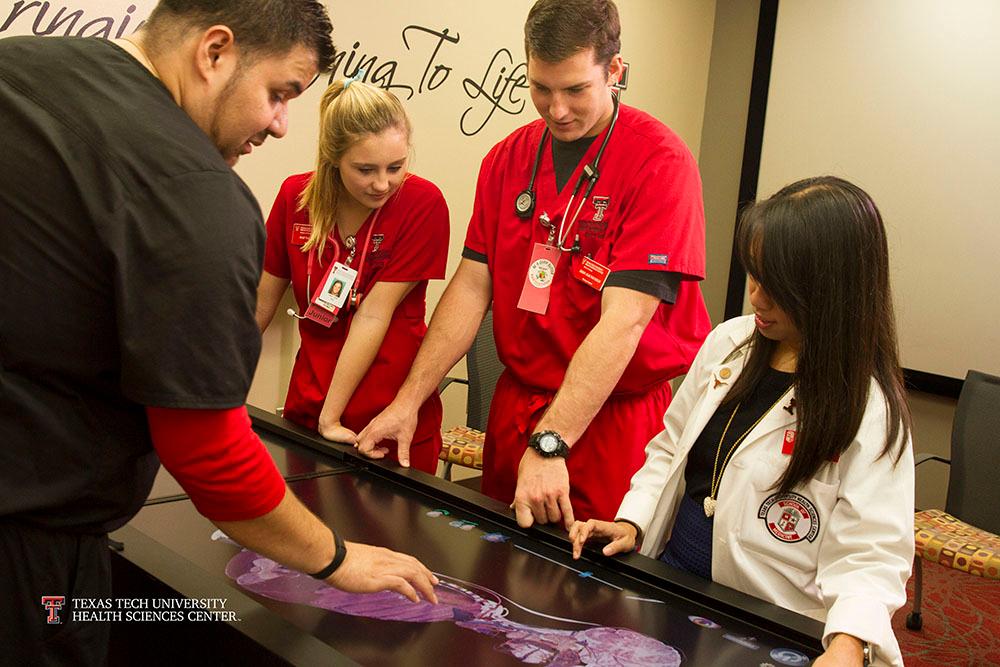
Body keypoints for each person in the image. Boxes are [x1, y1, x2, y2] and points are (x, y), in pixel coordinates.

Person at [0, 3, 436, 665]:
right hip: (26, 562)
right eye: (279, 93)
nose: (281, 123)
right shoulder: (197, 193)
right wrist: (337, 557)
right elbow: (208, 452)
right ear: (215, 52)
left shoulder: (19, 70)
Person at [357, 0, 710, 529]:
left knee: (594, 595)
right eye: (541, 88)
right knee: (496, 581)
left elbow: (625, 321)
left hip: (608, 420)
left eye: (575, 90)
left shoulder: (659, 162)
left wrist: (551, 443)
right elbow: (473, 286)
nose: (556, 109)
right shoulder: (507, 159)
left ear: (614, 72)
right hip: (516, 409)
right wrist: (411, 398)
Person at [569, 177, 915, 666]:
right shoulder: (730, 342)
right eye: (753, 274)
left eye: (777, 285)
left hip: (771, 618)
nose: (756, 297)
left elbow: (873, 552)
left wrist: (849, 641)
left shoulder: (868, 407)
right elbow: (672, 447)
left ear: (832, 289)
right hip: (675, 583)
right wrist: (634, 520)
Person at [256, 78, 449, 474]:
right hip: (307, 409)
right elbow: (260, 302)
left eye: (395, 167)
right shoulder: (296, 199)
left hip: (388, 416)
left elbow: (374, 314)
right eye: (365, 169)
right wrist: (215, 391)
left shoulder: (422, 204)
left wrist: (332, 417)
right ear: (333, 158)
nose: (383, 183)